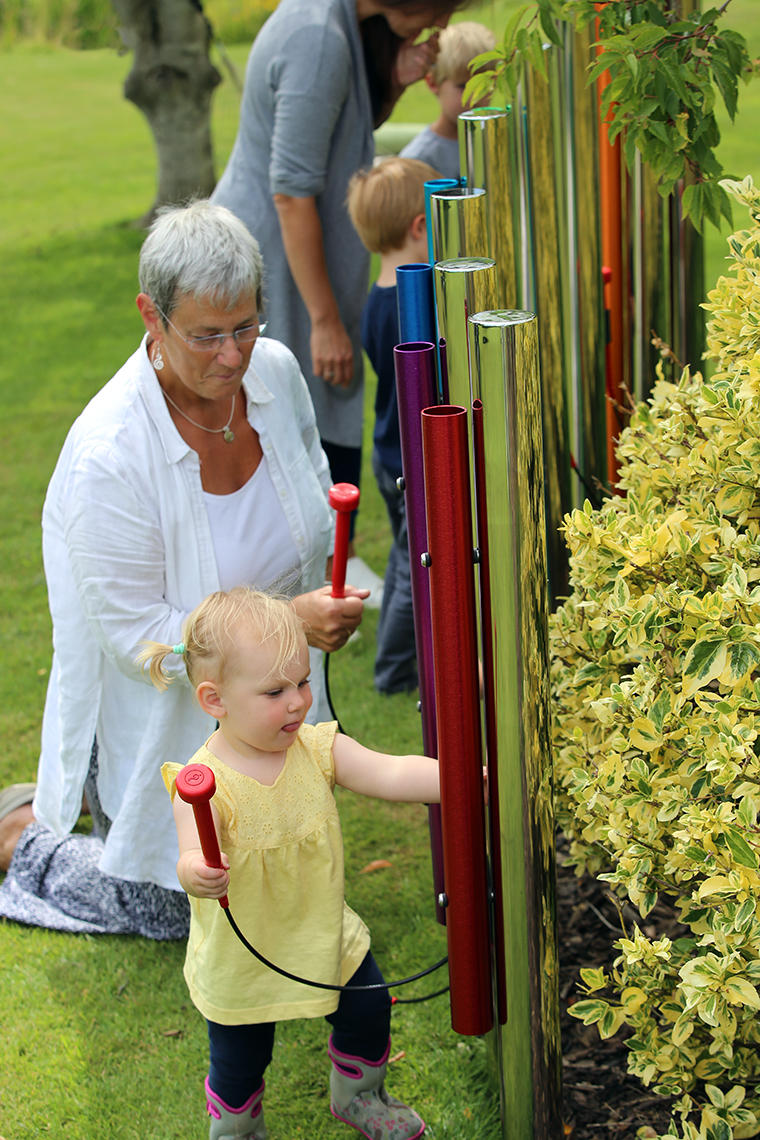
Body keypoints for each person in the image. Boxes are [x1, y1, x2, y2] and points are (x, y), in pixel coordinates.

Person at [0, 201, 367, 940]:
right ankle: (21, 836)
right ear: (151, 316)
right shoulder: (110, 456)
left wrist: (322, 602)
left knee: (282, 887)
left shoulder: (276, 371)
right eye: (206, 335)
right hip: (159, 733)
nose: (233, 356)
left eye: (246, 325)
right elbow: (140, 646)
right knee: (182, 913)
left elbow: (312, 494)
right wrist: (283, 625)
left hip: (268, 716)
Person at [145, 587, 440, 1140]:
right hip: (243, 953)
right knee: (239, 1059)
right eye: (275, 691)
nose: (299, 702)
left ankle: (359, 1097)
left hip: (322, 931)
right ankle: (236, 1127)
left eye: (303, 681)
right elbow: (188, 852)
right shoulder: (206, 784)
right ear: (215, 700)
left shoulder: (314, 748)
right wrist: (196, 873)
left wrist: (466, 781)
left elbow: (391, 772)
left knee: (370, 1010)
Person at [211, 0, 469, 558]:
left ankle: (333, 557)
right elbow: (290, 191)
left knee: (309, 398)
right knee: (298, 401)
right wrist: (325, 321)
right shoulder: (318, 40)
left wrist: (395, 81)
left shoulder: (336, 22)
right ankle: (326, 561)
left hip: (288, 265)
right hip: (269, 267)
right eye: (441, 7)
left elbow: (338, 130)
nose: (441, 25)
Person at [347, 157, 437, 694]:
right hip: (406, 457)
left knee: (407, 555)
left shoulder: (378, 298)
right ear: (421, 227)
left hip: (391, 453)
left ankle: (398, 661)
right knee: (412, 562)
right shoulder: (407, 307)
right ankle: (395, 670)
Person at [399, 21, 496, 180]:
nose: (475, 98)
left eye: (484, 85)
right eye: (463, 86)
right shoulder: (418, 161)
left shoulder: (500, 142)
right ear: (432, 83)